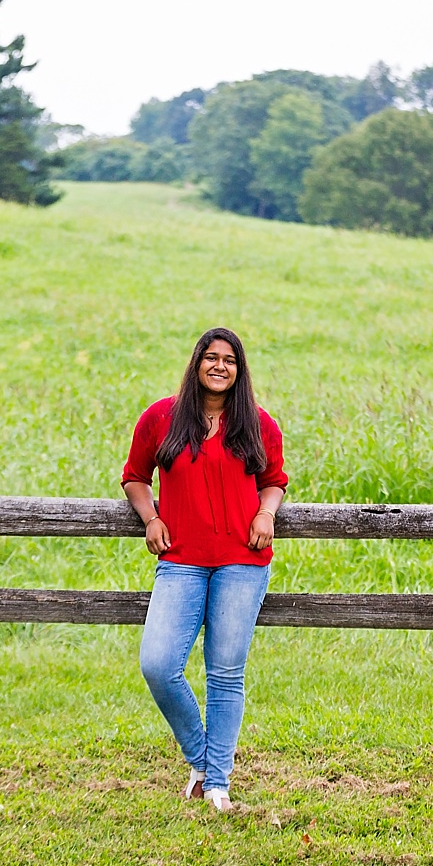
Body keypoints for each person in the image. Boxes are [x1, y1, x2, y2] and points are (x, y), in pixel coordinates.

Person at [121, 327, 288, 812]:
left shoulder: (257, 424)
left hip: (242, 561)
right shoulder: (162, 418)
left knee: (226, 671)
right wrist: (151, 518)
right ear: (197, 363)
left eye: (230, 360)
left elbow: (274, 481)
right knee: (158, 664)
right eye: (211, 358)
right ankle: (201, 757)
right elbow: (135, 476)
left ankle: (217, 784)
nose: (220, 366)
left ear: (240, 370)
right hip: (181, 562)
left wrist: (265, 512)